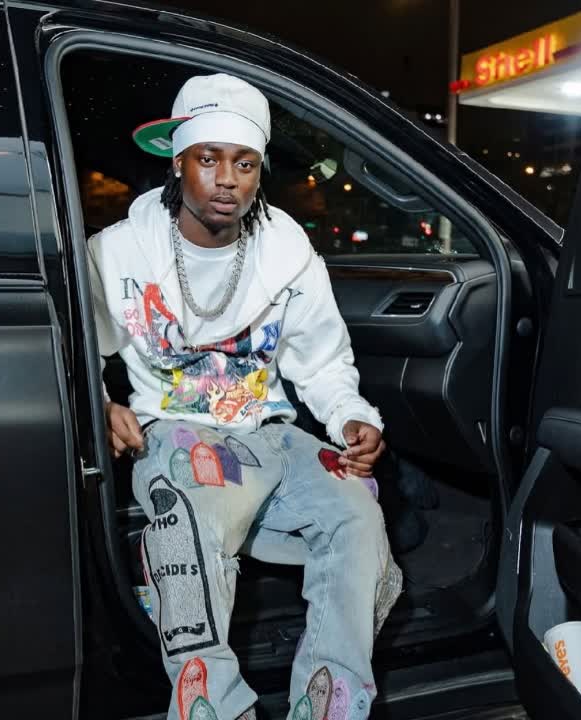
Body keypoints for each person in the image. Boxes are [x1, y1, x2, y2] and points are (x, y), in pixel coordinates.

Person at [88, 73, 403, 720]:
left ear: (259, 173)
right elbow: (74, 353)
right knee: (187, 519)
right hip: (176, 431)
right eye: (209, 159)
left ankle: (331, 703)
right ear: (178, 163)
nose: (226, 179)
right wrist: (100, 402)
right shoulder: (118, 253)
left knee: (357, 515)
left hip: (270, 433)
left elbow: (321, 360)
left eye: (245, 163)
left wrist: (349, 416)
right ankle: (216, 705)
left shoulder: (287, 251)